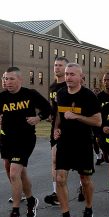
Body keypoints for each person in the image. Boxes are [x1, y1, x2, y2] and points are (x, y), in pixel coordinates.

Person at [0, 67, 51, 217]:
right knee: (15, 171)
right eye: (6, 79)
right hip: (6, 139)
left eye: (11, 79)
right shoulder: (1, 97)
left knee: (14, 173)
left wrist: (38, 118)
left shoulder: (30, 94)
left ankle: (15, 212)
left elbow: (48, 108)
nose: (7, 82)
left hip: (25, 138)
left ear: (20, 80)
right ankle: (30, 200)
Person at [53, 63, 102, 217]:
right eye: (66, 74)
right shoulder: (60, 94)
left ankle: (88, 209)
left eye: (72, 74)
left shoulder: (88, 96)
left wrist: (77, 116)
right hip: (65, 142)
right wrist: (56, 129)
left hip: (83, 142)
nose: (68, 77)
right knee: (60, 178)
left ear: (81, 77)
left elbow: (97, 121)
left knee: (85, 180)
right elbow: (59, 115)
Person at [43, 56, 68, 206]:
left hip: (70, 127)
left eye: (60, 65)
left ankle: (82, 185)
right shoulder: (52, 87)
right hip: (55, 128)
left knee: (72, 162)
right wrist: (50, 116)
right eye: (55, 65)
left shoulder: (69, 85)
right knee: (54, 159)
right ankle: (56, 193)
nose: (56, 67)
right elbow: (53, 107)